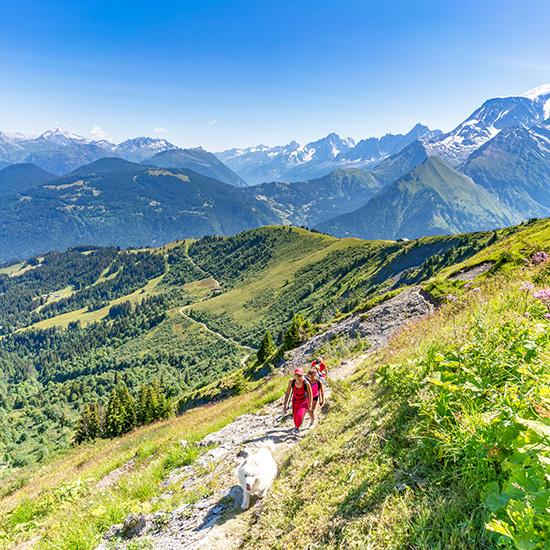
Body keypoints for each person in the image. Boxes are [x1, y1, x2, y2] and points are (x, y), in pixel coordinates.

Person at [283, 368, 313, 436]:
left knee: (299, 415)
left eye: (300, 375)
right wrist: (285, 406)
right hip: (295, 401)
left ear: (303, 375)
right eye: (296, 375)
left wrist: (310, 405)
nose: (298, 377)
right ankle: (297, 428)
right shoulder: (291, 382)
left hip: (304, 401)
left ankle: (297, 428)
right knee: (295, 417)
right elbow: (287, 393)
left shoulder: (306, 383)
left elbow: (310, 394)